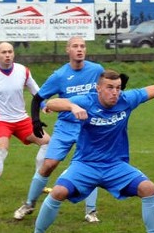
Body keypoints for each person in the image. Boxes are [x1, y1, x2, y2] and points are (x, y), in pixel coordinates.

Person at [14, 70, 154, 233]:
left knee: (149, 188)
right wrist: (72, 106)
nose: (115, 92)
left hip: (115, 166)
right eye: (110, 88)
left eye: (118, 88)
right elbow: (51, 103)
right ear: (98, 89)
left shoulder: (127, 100)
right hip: (85, 165)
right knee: (58, 192)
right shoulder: (87, 101)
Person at [13, 36, 105, 223]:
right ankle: (29, 204)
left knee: (91, 164)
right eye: (75, 46)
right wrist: (36, 122)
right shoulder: (60, 75)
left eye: (83, 46)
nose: (79, 49)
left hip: (87, 127)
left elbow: (108, 90)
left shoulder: (97, 70)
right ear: (67, 50)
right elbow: (38, 98)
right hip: (65, 127)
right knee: (48, 165)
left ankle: (91, 211)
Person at [0, 42, 50, 200]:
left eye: (10, 52)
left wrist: (44, 105)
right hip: (1, 121)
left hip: (22, 120)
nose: (7, 55)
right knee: (1, 150)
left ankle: (39, 183)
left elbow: (36, 92)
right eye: (4, 52)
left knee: (47, 142)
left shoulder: (23, 71)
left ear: (14, 54)